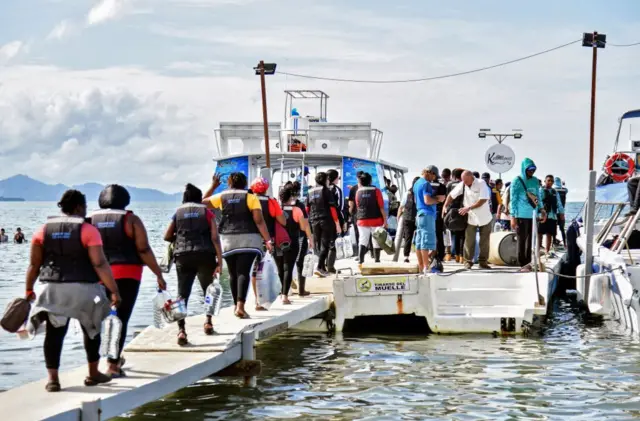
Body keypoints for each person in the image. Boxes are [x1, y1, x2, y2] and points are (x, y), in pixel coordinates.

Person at [25, 190, 121, 392]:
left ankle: (53, 380)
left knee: (54, 334)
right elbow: (100, 263)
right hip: (84, 288)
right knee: (92, 329)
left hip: (52, 289)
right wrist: (114, 290)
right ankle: (93, 373)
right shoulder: (88, 230)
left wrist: (28, 289)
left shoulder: (42, 230)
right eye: (84, 207)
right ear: (78, 207)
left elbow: (34, 264)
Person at [90, 184, 167, 374]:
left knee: (98, 319)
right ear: (126, 201)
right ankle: (113, 364)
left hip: (97, 275)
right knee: (120, 318)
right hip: (127, 274)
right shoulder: (131, 220)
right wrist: (158, 273)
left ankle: (95, 363)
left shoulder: (90, 220)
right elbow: (143, 249)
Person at [204, 173, 273, 319]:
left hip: (228, 240)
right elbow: (259, 221)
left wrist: (213, 186)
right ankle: (241, 307)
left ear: (229, 183)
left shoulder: (222, 197)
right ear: (245, 183)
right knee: (243, 272)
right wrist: (267, 240)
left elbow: (202, 203)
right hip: (248, 240)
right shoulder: (251, 197)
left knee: (233, 274)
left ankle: (236, 306)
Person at [164, 183, 223, 345]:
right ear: (199, 199)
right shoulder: (207, 213)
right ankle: (208, 322)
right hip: (205, 255)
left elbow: (167, 235)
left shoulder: (178, 213)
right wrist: (220, 260)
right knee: (208, 291)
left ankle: (181, 331)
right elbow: (215, 238)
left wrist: (179, 237)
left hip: (183, 256)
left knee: (182, 294)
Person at [443, 171, 493, 269]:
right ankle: (468, 261)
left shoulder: (481, 183)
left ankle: (483, 262)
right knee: (469, 240)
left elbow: (483, 199)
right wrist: (445, 205)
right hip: (471, 217)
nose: (464, 183)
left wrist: (469, 207)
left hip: (484, 217)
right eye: (463, 181)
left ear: (472, 177)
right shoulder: (463, 184)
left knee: (484, 241)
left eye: (466, 181)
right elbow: (451, 195)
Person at [279, 184, 314, 303]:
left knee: (281, 268)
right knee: (292, 266)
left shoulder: (277, 208)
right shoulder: (298, 208)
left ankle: (283, 291)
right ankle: (286, 295)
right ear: (292, 196)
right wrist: (310, 238)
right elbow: (304, 226)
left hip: (277, 242)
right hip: (293, 240)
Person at [510, 158, 546, 267]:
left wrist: (542, 209)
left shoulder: (535, 180)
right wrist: (513, 217)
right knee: (522, 239)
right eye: (530, 169)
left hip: (533, 214)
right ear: (524, 169)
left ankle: (529, 262)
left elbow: (538, 196)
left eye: (534, 169)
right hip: (521, 215)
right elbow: (513, 200)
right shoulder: (517, 180)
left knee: (532, 240)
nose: (532, 171)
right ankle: (522, 263)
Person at [307, 172, 341, 277]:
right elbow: (332, 209)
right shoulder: (326, 191)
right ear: (324, 180)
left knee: (319, 245)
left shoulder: (310, 191)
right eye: (327, 179)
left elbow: (307, 209)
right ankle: (320, 267)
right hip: (326, 220)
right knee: (325, 245)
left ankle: (322, 268)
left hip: (314, 221)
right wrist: (337, 223)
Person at [355, 172, 387, 265]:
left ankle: (361, 260)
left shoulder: (358, 191)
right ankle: (377, 260)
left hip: (362, 220)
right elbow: (381, 206)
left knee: (362, 239)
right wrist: (385, 220)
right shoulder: (376, 190)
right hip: (376, 219)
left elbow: (358, 205)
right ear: (370, 180)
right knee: (376, 239)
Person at [414, 167, 439, 273]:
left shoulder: (417, 183)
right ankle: (426, 266)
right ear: (430, 173)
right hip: (427, 214)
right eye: (434, 176)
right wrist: (437, 200)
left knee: (419, 242)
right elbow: (427, 200)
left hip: (419, 214)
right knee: (426, 241)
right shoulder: (426, 184)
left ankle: (421, 266)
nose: (434, 179)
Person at [539, 175, 565, 255]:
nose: (550, 182)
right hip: (542, 216)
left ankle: (547, 251)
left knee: (549, 233)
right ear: (545, 181)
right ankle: (538, 249)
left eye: (552, 181)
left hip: (552, 215)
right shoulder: (540, 190)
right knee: (539, 233)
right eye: (548, 180)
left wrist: (561, 213)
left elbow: (559, 203)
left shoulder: (555, 192)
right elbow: (538, 201)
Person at [327, 169, 346, 273]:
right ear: (335, 178)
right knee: (332, 243)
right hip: (334, 220)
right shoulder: (337, 190)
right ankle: (330, 266)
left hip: (319, 221)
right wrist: (343, 222)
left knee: (323, 243)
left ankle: (322, 266)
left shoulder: (319, 189)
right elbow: (341, 207)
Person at [428, 166, 447, 270]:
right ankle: (440, 255)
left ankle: (430, 255)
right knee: (439, 235)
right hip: (438, 212)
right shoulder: (441, 186)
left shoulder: (425, 185)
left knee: (428, 234)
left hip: (427, 212)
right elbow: (443, 199)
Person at [398, 177, 420, 263]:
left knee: (408, 238)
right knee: (419, 237)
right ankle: (420, 256)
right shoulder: (421, 193)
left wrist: (398, 217)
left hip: (407, 217)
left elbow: (401, 206)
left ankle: (406, 257)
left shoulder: (407, 193)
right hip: (418, 218)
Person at [446, 168, 465, 263]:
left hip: (451, 212)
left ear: (453, 175)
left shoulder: (449, 184)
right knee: (461, 235)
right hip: (462, 211)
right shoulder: (464, 184)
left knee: (450, 234)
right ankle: (461, 256)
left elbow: (447, 197)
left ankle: (449, 255)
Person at [348, 170, 365, 254]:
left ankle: (369, 250)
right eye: (359, 177)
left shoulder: (355, 188)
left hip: (365, 214)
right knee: (358, 232)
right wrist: (350, 212)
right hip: (357, 214)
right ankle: (360, 251)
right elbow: (351, 202)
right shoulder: (353, 188)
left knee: (365, 232)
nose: (360, 179)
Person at [554, 177, 568, 247]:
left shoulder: (553, 190)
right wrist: (563, 185)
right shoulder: (564, 190)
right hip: (562, 212)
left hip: (554, 212)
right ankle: (565, 244)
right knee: (562, 229)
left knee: (554, 228)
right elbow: (566, 190)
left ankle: (554, 242)